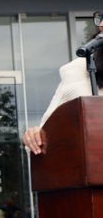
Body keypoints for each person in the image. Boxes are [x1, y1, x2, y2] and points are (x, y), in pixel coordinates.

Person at [22, 11, 103, 155]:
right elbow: (45, 135)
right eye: (101, 19)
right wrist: (35, 136)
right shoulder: (78, 71)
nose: (101, 24)